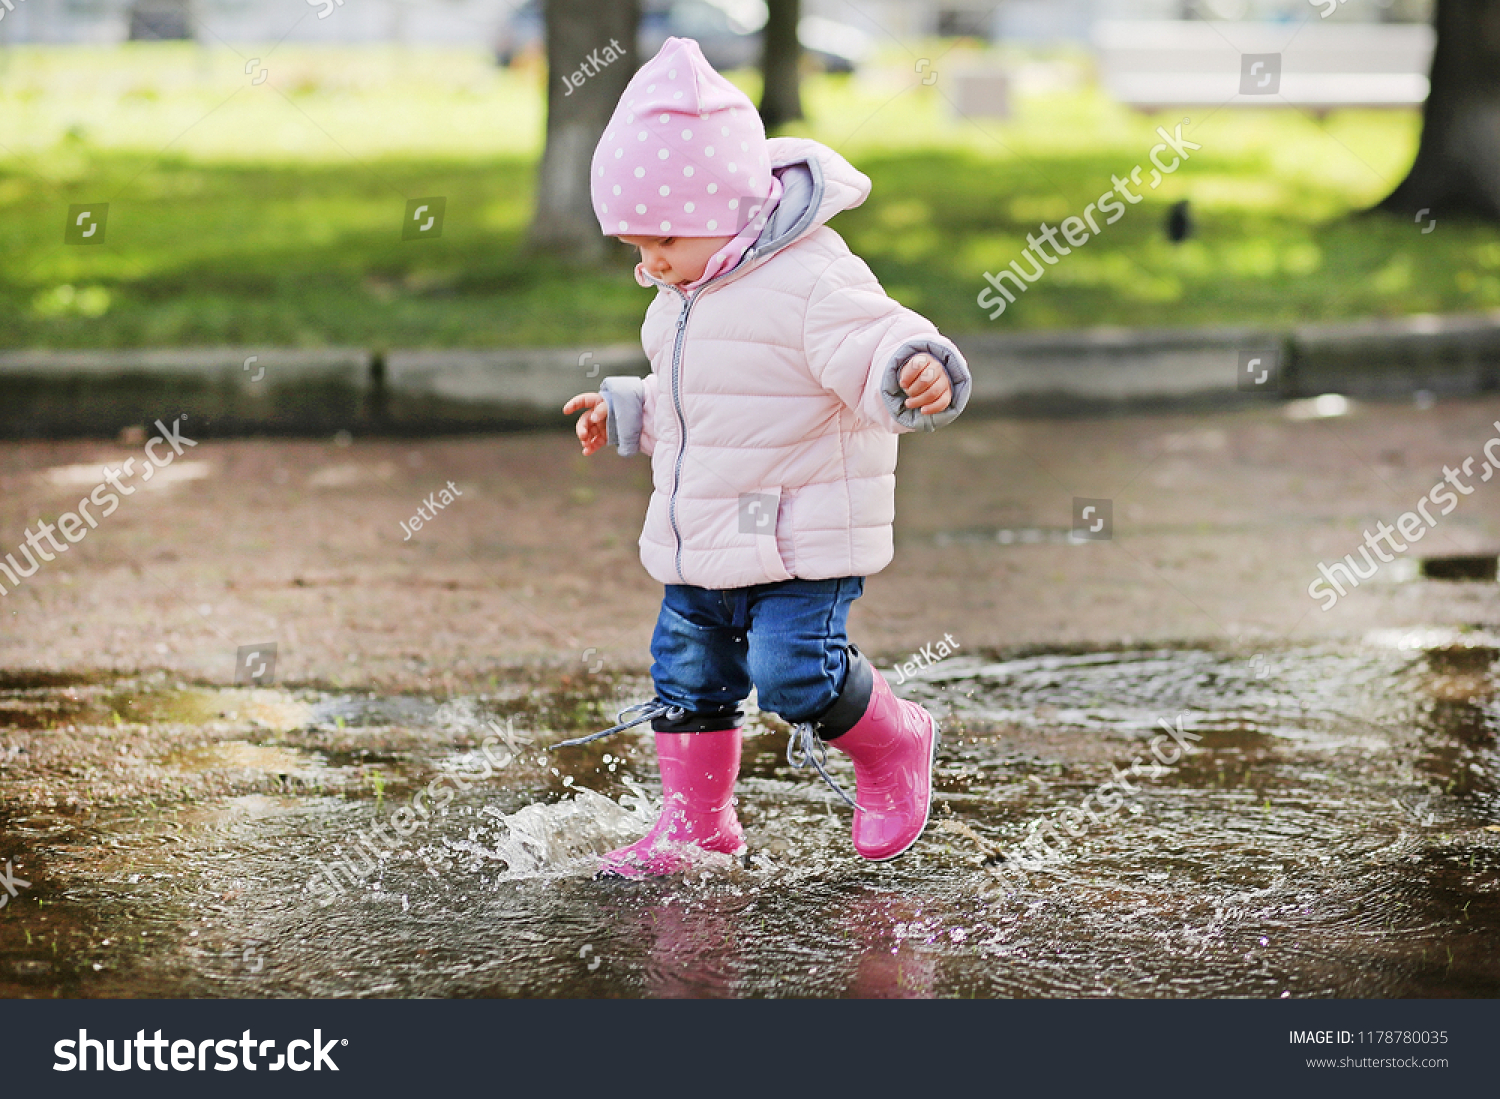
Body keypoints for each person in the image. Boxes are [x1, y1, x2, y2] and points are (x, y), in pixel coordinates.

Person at [561, 36, 971, 878]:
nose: (650, 264)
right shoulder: (682, 291)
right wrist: (628, 409)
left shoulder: (811, 277)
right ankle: (697, 826)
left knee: (793, 676)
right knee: (687, 673)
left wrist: (914, 367)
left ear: (729, 205)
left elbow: (878, 334)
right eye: (635, 248)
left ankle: (896, 740)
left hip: (795, 532)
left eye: (663, 238)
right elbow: (704, 397)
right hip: (705, 533)